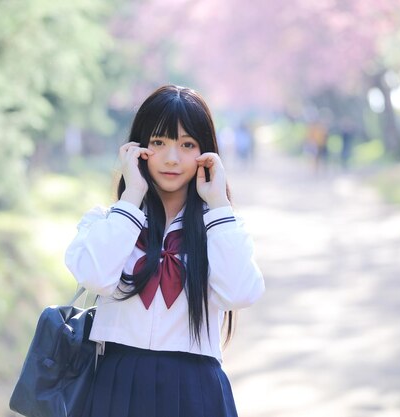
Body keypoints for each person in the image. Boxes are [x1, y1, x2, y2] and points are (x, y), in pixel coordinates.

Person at [64, 85, 265, 417]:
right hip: (116, 386)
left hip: (196, 391)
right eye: (159, 143)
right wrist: (132, 198)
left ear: (207, 153)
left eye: (187, 145)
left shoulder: (220, 228)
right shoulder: (107, 222)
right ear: (138, 148)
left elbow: (241, 293)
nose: (172, 158)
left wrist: (218, 205)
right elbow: (95, 277)